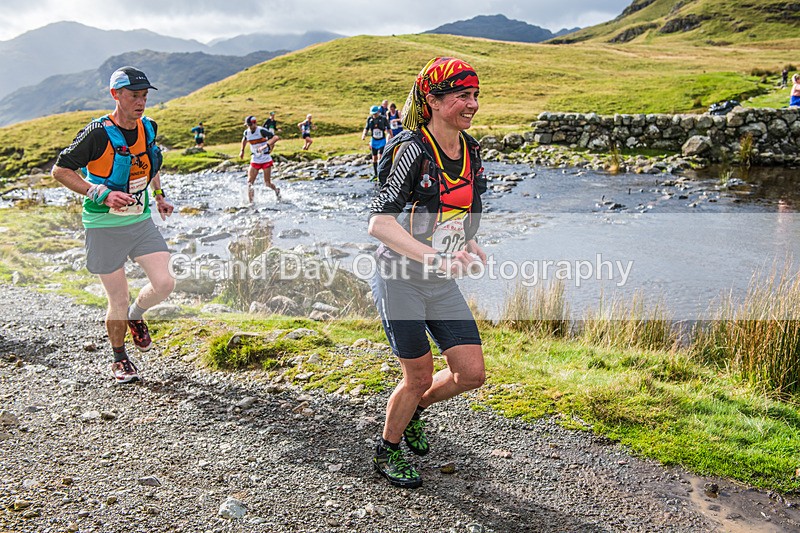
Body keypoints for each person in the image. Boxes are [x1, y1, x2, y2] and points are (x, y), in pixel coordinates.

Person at [368, 57, 487, 488]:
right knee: (417, 376)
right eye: (462, 96)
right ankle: (387, 451)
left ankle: (416, 412)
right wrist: (437, 257)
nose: (472, 104)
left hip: (440, 280)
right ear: (434, 101)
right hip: (399, 279)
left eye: (474, 95)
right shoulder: (411, 151)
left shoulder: (470, 149)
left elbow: (462, 209)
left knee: (470, 373)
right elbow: (379, 224)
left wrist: (469, 242)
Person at [51, 66, 175, 385]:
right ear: (115, 95)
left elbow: (149, 163)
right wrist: (99, 192)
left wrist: (159, 196)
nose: (141, 102)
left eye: (145, 96)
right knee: (116, 299)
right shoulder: (97, 134)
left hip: (139, 220)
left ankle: (136, 315)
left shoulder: (148, 127)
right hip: (103, 225)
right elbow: (61, 170)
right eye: (134, 95)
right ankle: (120, 357)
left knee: (164, 284)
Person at [239, 115, 280, 203]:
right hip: (255, 159)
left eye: (250, 125)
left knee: (267, 183)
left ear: (255, 123)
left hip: (265, 158)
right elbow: (244, 140)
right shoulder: (246, 132)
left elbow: (276, 137)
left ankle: (276, 190)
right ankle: (251, 203)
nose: (249, 127)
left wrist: (266, 146)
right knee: (249, 183)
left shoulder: (261, 130)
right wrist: (242, 151)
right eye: (247, 125)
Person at [361, 105, 391, 180]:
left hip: (382, 140)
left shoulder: (383, 118)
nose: (374, 115)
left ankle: (381, 173)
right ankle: (375, 174)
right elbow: (366, 128)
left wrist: (391, 136)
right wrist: (364, 135)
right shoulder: (370, 119)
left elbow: (389, 128)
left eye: (375, 113)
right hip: (374, 140)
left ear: (378, 112)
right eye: (373, 114)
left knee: (380, 157)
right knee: (374, 158)